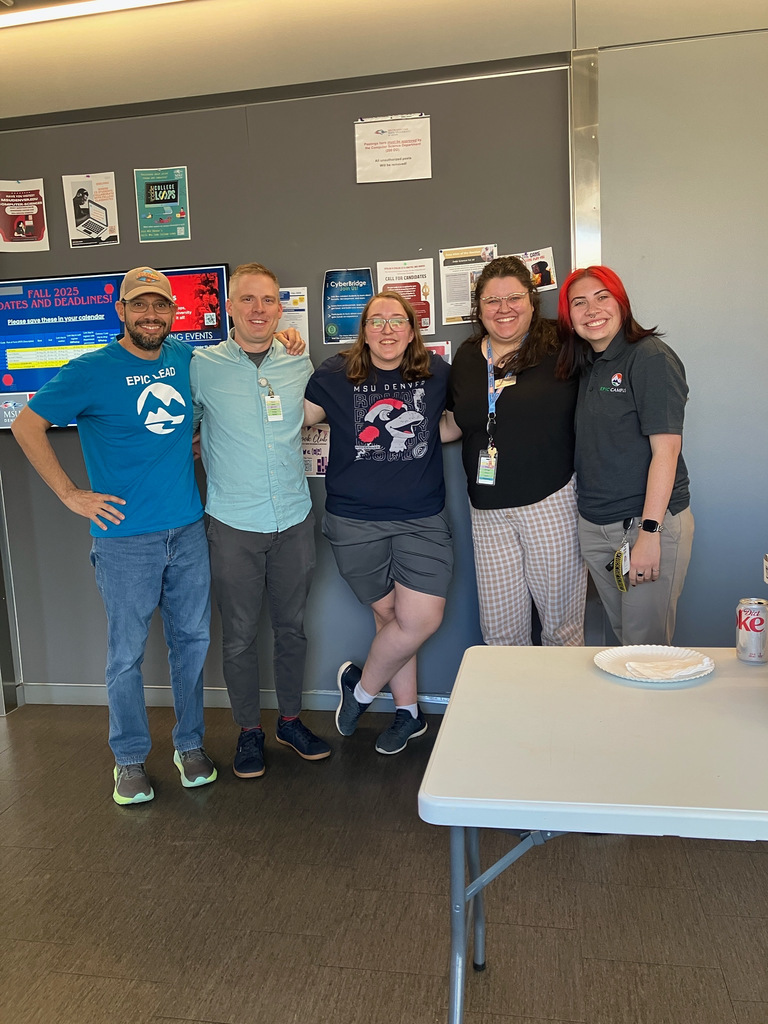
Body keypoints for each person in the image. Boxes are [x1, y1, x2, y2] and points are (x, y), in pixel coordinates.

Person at [11, 267, 216, 806]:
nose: (152, 316)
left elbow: (206, 405)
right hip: (126, 539)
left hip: (188, 529)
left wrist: (192, 441)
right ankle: (128, 760)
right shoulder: (91, 369)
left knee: (191, 644)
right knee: (124, 655)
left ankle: (189, 745)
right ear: (120, 311)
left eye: (161, 307)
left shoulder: (185, 359)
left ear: (174, 313)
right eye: (140, 306)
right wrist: (70, 494)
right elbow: (26, 425)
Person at [191, 262, 331, 779]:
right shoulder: (201, 364)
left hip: (293, 517)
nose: (258, 310)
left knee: (292, 629)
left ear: (280, 307)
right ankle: (249, 731)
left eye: (268, 300)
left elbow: (314, 414)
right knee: (240, 636)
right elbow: (175, 426)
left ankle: (289, 721)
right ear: (228, 307)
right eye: (247, 300)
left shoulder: (299, 360)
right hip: (233, 523)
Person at [304, 292, 452, 755]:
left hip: (421, 518)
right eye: (376, 321)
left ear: (412, 329)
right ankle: (408, 713)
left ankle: (361, 692)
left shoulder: (437, 372)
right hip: (354, 520)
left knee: (419, 619)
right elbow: (295, 421)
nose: (387, 329)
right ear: (363, 330)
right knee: (389, 617)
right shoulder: (333, 374)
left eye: (397, 320)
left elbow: (451, 423)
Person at [442, 255, 586, 647]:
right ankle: (512, 709)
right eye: (491, 301)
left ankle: (563, 710)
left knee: (562, 629)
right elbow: (455, 423)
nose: (503, 309)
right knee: (501, 633)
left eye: (514, 298)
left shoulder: (563, 343)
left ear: (532, 300)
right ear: (479, 308)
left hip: (551, 503)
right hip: (487, 510)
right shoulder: (470, 355)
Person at [556, 265, 694, 644]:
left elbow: (666, 450)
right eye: (579, 303)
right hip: (598, 526)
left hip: (644, 526)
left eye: (603, 297)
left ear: (621, 302)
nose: (592, 310)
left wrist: (650, 533)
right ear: (570, 317)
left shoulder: (649, 357)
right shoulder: (587, 364)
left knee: (646, 651)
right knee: (621, 642)